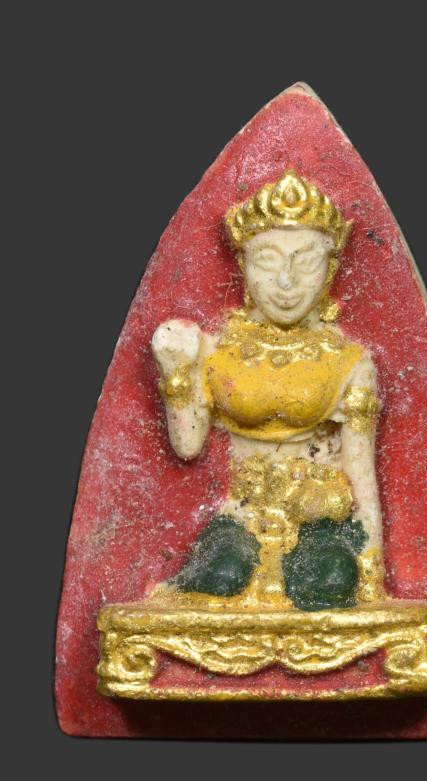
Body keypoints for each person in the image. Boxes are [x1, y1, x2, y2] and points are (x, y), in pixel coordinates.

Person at [152, 170, 384, 612]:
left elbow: (361, 470)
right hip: (243, 513)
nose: (286, 282)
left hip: (320, 515)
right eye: (268, 260)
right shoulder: (216, 351)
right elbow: (187, 446)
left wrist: (371, 565)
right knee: (221, 577)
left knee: (332, 583)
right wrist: (176, 369)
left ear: (331, 268)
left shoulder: (349, 361)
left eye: (306, 262)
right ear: (243, 264)